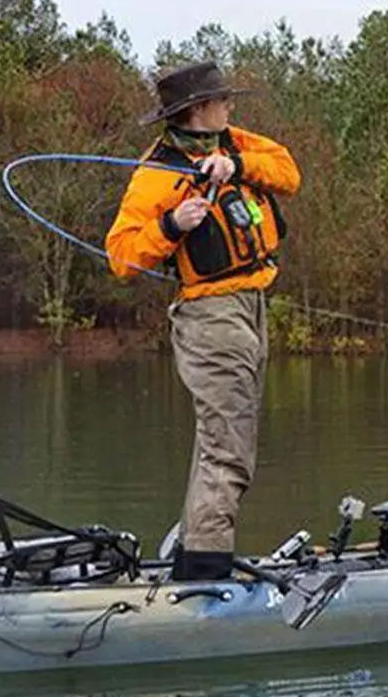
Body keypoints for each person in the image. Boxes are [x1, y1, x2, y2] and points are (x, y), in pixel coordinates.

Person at [105, 60, 301, 581]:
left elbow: (288, 173)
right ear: (197, 110)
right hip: (210, 317)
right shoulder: (157, 174)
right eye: (221, 100)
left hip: (252, 308)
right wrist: (172, 224)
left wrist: (235, 166)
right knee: (229, 443)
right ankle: (207, 571)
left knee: (223, 437)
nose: (229, 106)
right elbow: (121, 255)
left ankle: (195, 555)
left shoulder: (234, 143)